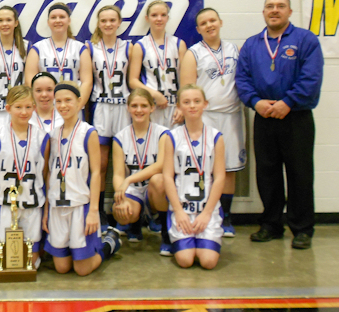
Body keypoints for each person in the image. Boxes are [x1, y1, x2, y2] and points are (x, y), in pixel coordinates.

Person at [236, 0, 323, 250]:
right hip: (264, 117)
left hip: (296, 116)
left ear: (290, 11)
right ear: (263, 12)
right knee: (267, 174)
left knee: (300, 174)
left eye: (280, 6)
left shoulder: (306, 40)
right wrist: (256, 102)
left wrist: (288, 102)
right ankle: (271, 224)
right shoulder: (252, 44)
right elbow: (242, 79)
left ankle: (302, 228)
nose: (275, 10)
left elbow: (311, 78)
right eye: (270, 6)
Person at [43, 82, 121, 276]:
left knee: (82, 270)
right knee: (61, 268)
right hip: (57, 206)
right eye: (58, 101)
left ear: (79, 102)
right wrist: (46, 209)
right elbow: (47, 174)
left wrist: (94, 210)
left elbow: (96, 173)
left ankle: (109, 242)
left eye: (68, 100)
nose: (63, 105)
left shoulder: (89, 132)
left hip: (80, 205)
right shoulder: (52, 135)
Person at [180, 8, 245, 237]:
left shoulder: (234, 50)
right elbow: (188, 89)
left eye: (212, 20)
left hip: (232, 115)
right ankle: (204, 212)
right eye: (203, 23)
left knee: (228, 168)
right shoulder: (193, 53)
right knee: (204, 168)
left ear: (220, 22)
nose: (209, 25)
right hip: (206, 116)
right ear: (198, 29)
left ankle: (225, 217)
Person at [162, 84, 225, 269]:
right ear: (179, 107)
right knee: (185, 260)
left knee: (208, 262)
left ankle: (206, 235)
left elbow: (220, 177)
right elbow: (167, 177)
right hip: (183, 209)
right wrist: (178, 211)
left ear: (205, 104)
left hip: (207, 210)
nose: (192, 106)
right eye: (186, 102)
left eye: (197, 101)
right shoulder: (172, 137)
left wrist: (206, 214)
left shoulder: (216, 137)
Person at [0, 85, 49, 269]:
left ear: (34, 108)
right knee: (9, 265)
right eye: (18, 107)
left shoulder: (42, 137)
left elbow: (44, 175)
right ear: (8, 109)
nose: (24, 112)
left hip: (32, 204)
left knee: (31, 264)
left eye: (28, 107)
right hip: (7, 205)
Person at [86, 5, 131, 233]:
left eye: (112, 20)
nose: (108, 24)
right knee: (101, 164)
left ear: (119, 22)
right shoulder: (90, 47)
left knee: (124, 163)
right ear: (98, 23)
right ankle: (101, 210)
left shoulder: (130, 47)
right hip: (101, 106)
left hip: (123, 106)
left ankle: (124, 209)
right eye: (103, 20)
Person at [112, 89, 171, 255]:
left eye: (144, 106)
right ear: (128, 108)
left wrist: (128, 180)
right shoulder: (120, 137)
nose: (139, 110)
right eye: (134, 106)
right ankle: (134, 223)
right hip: (134, 190)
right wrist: (120, 194)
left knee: (159, 180)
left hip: (153, 190)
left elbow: (160, 166)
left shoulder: (163, 133)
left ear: (152, 108)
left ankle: (166, 234)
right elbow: (118, 174)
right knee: (121, 213)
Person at [129, 0, 186, 129]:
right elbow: (132, 81)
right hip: (151, 106)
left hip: (175, 107)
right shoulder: (141, 45)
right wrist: (155, 94)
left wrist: (182, 106)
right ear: (147, 18)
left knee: (175, 146)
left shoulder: (179, 44)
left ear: (168, 17)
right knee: (154, 146)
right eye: (154, 15)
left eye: (163, 15)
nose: (159, 19)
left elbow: (185, 80)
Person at [24, 3, 93, 108]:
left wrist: (77, 106)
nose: (57, 20)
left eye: (62, 17)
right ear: (48, 22)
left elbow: (87, 82)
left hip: (72, 106)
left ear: (69, 21)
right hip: (46, 107)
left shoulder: (80, 48)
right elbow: (30, 82)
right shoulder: (37, 48)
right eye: (53, 17)